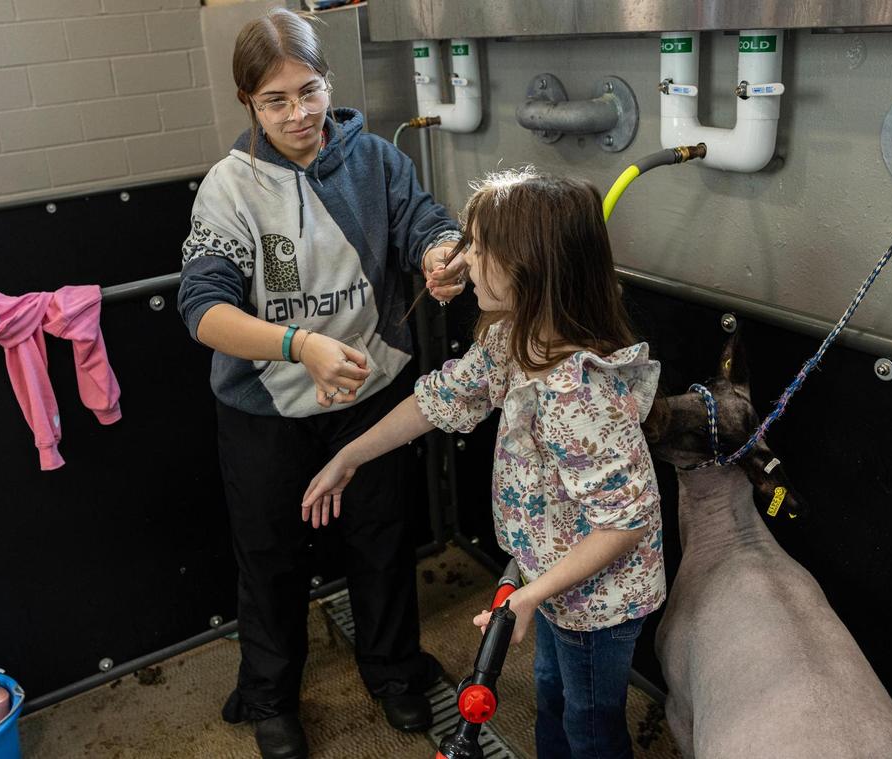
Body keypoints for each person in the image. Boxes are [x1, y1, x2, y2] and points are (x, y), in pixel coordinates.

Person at [176, 9, 467, 759]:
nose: (298, 113)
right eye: (275, 100)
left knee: (381, 538)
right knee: (270, 554)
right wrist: (298, 345)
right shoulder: (229, 189)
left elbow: (425, 223)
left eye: (308, 91)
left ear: (327, 81)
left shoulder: (374, 160)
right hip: (264, 408)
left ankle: (394, 669)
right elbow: (202, 309)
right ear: (249, 102)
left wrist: (440, 258)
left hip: (368, 395)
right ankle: (271, 696)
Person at [303, 170, 666, 759]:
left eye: (477, 245)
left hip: (600, 601)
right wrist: (350, 455)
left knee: (591, 723)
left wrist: (527, 595)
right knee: (551, 692)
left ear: (529, 264)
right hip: (549, 581)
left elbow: (625, 523)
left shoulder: (578, 395)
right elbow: (439, 399)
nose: (463, 260)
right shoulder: (513, 340)